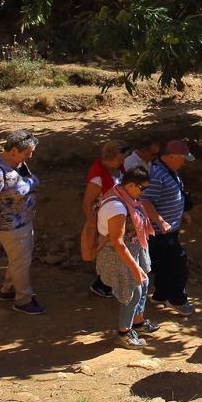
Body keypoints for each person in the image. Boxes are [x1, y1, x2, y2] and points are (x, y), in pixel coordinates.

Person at [0, 129, 44, 315]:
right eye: (27, 152)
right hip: (9, 227)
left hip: (22, 222)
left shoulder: (15, 164)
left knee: (19, 260)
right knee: (21, 263)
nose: (30, 156)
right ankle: (23, 300)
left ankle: (8, 290)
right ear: (14, 150)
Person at [95, 167, 157, 348]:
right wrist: (134, 267)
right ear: (131, 184)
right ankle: (124, 333)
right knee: (132, 292)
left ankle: (138, 322)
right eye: (142, 188)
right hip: (118, 255)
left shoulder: (124, 194)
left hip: (134, 249)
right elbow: (117, 242)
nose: (143, 193)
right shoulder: (118, 207)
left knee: (143, 285)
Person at [142, 139, 195, 316]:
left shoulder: (169, 171)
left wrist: (182, 213)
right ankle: (177, 300)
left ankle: (161, 295)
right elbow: (146, 201)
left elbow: (170, 196)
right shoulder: (157, 174)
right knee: (179, 264)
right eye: (182, 159)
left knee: (164, 265)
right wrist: (160, 220)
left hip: (168, 230)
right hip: (160, 232)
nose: (183, 162)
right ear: (171, 156)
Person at [83, 139, 129, 299]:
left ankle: (110, 283)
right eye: (120, 159)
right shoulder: (98, 177)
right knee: (108, 252)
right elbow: (88, 203)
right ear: (111, 157)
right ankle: (101, 284)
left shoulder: (117, 168)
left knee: (116, 252)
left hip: (116, 214)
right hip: (104, 220)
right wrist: (92, 225)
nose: (123, 162)